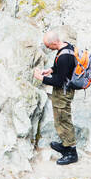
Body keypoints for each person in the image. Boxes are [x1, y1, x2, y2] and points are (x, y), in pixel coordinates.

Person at [33, 27, 80, 166]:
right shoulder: (66, 47)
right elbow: (62, 69)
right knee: (60, 118)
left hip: (63, 92)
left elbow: (59, 81)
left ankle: (71, 152)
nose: (48, 49)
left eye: (48, 46)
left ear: (54, 43)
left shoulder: (64, 57)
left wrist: (41, 79)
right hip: (63, 90)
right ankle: (65, 145)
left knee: (63, 120)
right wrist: (51, 70)